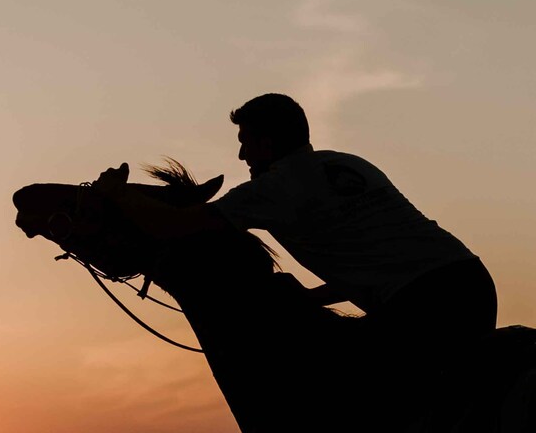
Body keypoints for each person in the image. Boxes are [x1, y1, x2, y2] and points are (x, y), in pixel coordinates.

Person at [94, 92, 498, 358]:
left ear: (266, 145)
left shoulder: (272, 189)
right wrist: (311, 300)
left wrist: (118, 194)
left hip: (423, 307)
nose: (240, 155)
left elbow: (174, 227)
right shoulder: (349, 163)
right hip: (472, 282)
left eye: (245, 142)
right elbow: (380, 259)